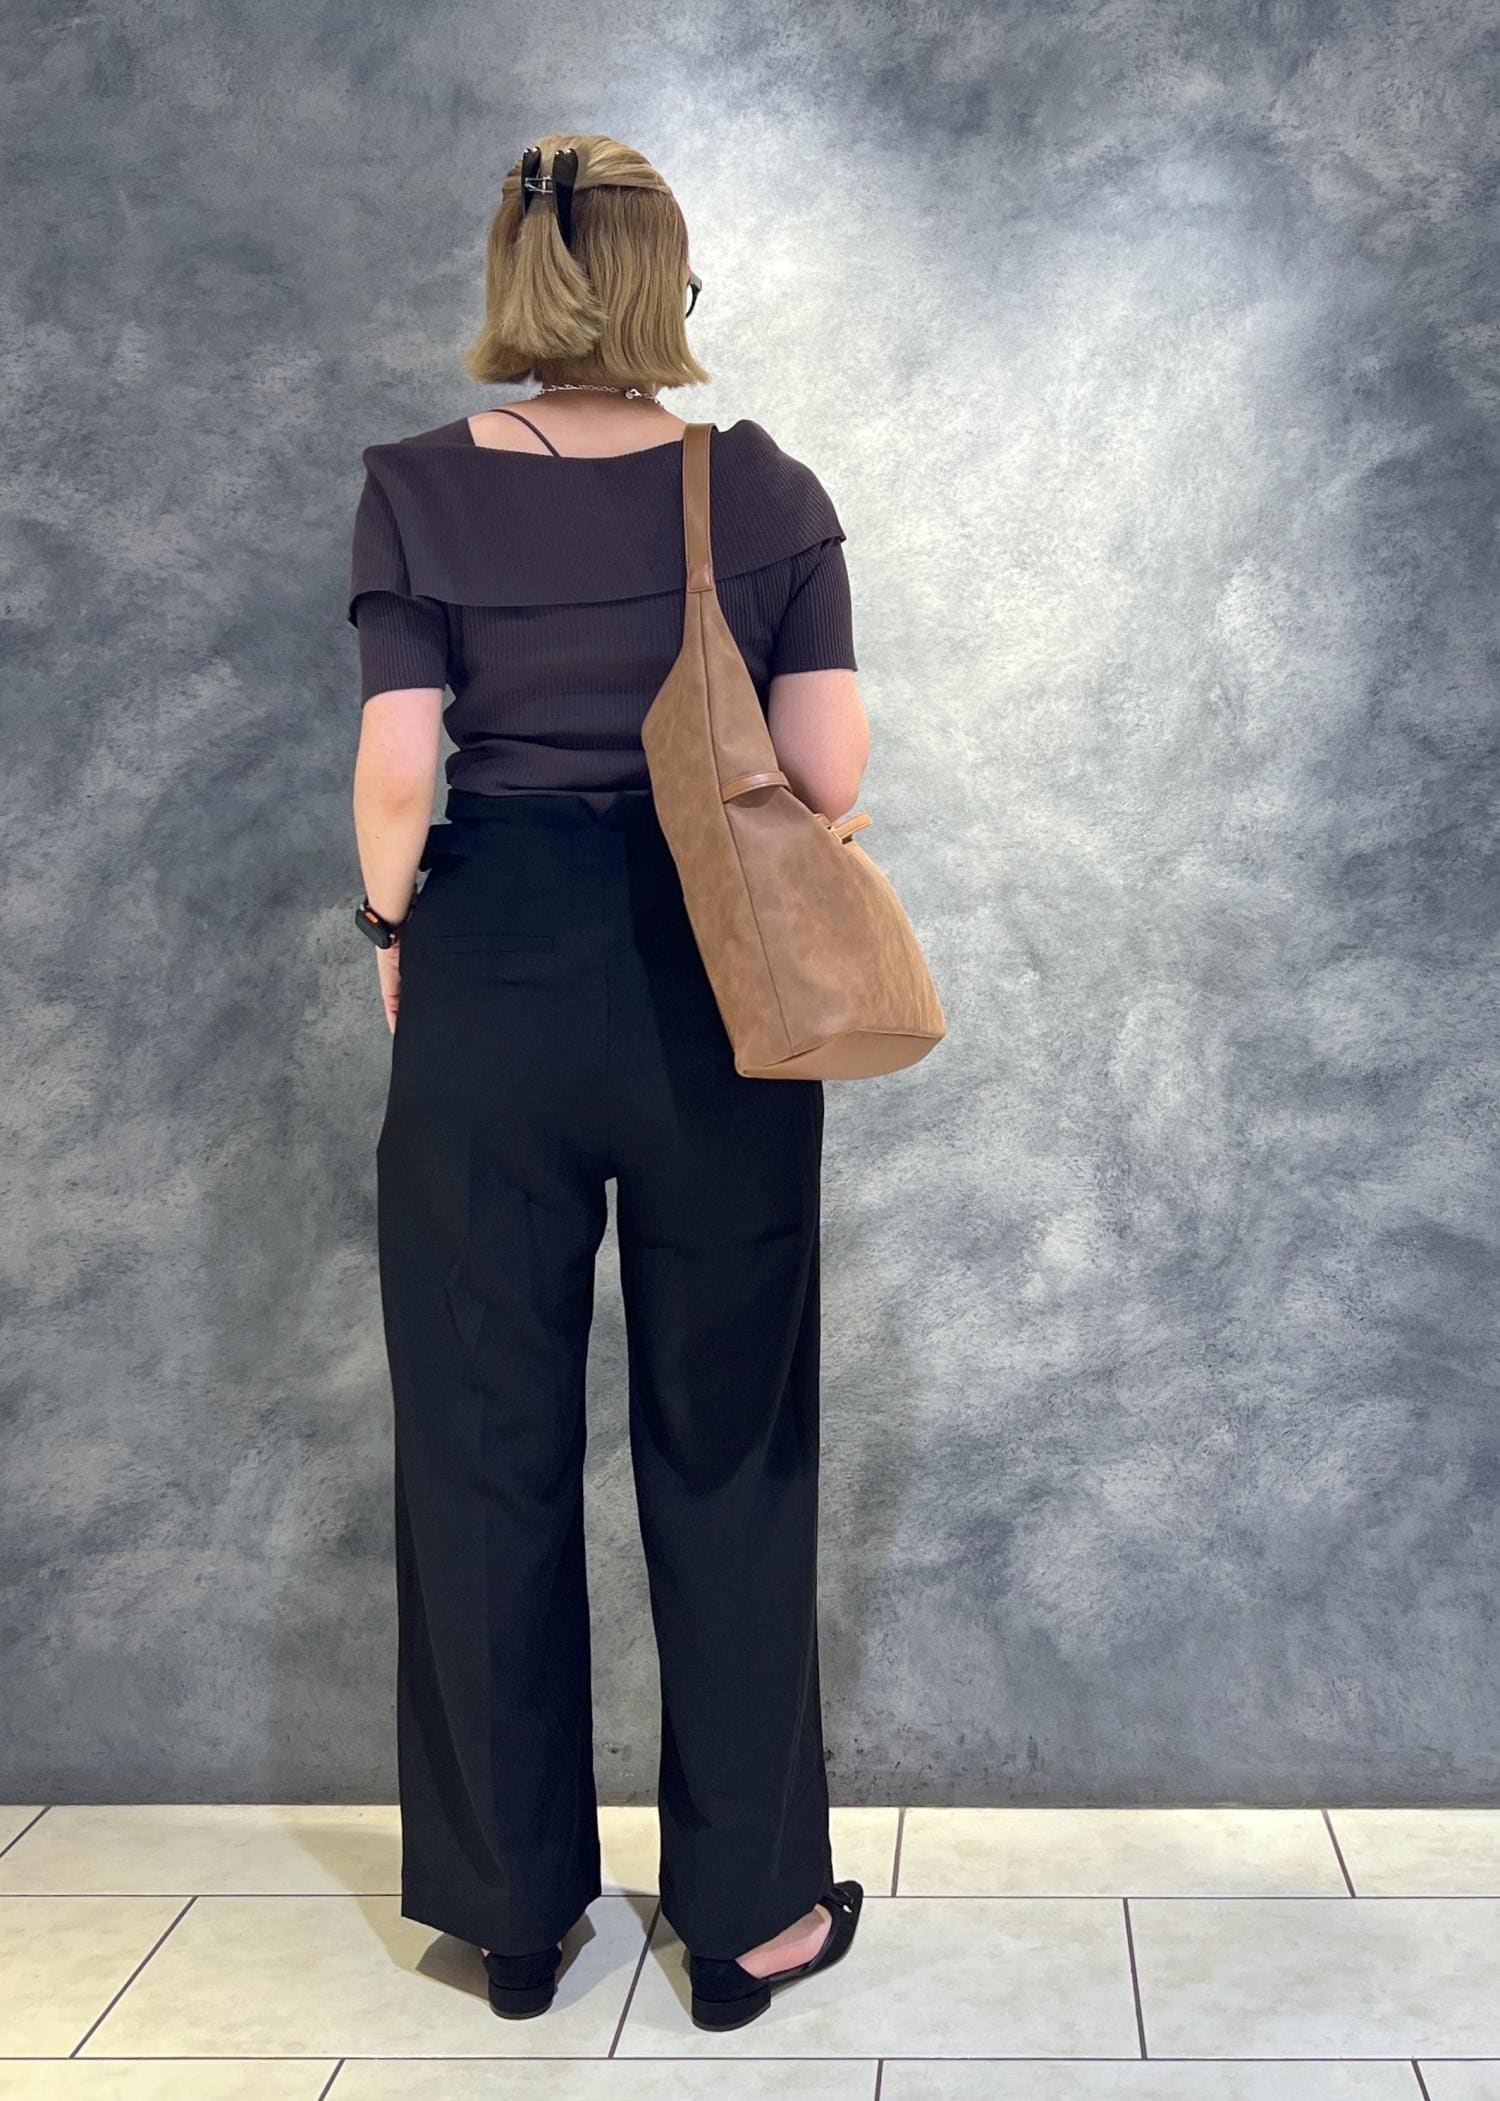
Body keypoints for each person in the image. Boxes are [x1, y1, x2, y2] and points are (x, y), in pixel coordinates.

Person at [346, 131, 868, 2033]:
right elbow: (828, 773)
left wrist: (392, 929)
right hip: (720, 995)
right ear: (669, 280)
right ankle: (748, 1920)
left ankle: (512, 1915)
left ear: (513, 277)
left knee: (482, 1437)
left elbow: (398, 770)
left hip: (490, 977)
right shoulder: (763, 489)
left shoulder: (416, 490)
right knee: (730, 1441)